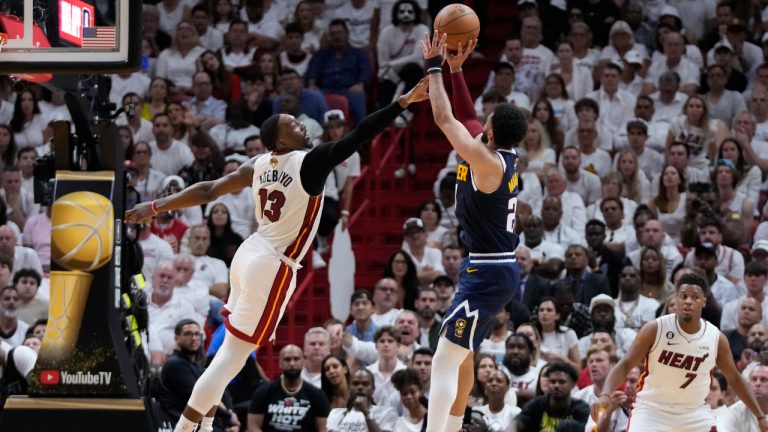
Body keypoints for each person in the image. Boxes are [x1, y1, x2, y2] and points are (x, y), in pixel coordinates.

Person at [125, 78, 428, 432]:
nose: (302, 124)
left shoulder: (258, 164)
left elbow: (208, 190)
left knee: (231, 356)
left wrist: (156, 205)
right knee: (231, 357)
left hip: (248, 253)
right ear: (283, 140)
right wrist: (402, 103)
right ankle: (186, 429)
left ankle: (205, 425)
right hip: (272, 264)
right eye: (295, 124)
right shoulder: (308, 162)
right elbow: (359, 135)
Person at [422, 32, 526, 432]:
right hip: (490, 268)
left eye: (487, 122)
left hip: (488, 273)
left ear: (492, 134)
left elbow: (445, 119)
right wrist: (457, 71)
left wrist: (434, 68)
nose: (480, 122)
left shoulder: (486, 162)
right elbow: (466, 118)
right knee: (462, 356)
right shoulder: (498, 150)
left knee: (443, 358)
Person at [591, 273, 768, 432]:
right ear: (676, 299)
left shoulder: (716, 338)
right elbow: (625, 365)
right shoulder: (655, 329)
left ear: (704, 301)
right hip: (653, 410)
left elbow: (735, 379)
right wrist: (605, 394)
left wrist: (760, 416)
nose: (688, 301)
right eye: (683, 296)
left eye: (695, 297)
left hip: (694, 413)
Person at [247, 344, 330, 432]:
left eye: (296, 359)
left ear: (303, 362)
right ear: (280, 363)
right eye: (287, 359)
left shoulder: (317, 395)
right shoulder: (263, 392)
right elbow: (253, 428)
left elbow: (323, 429)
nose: (292, 363)